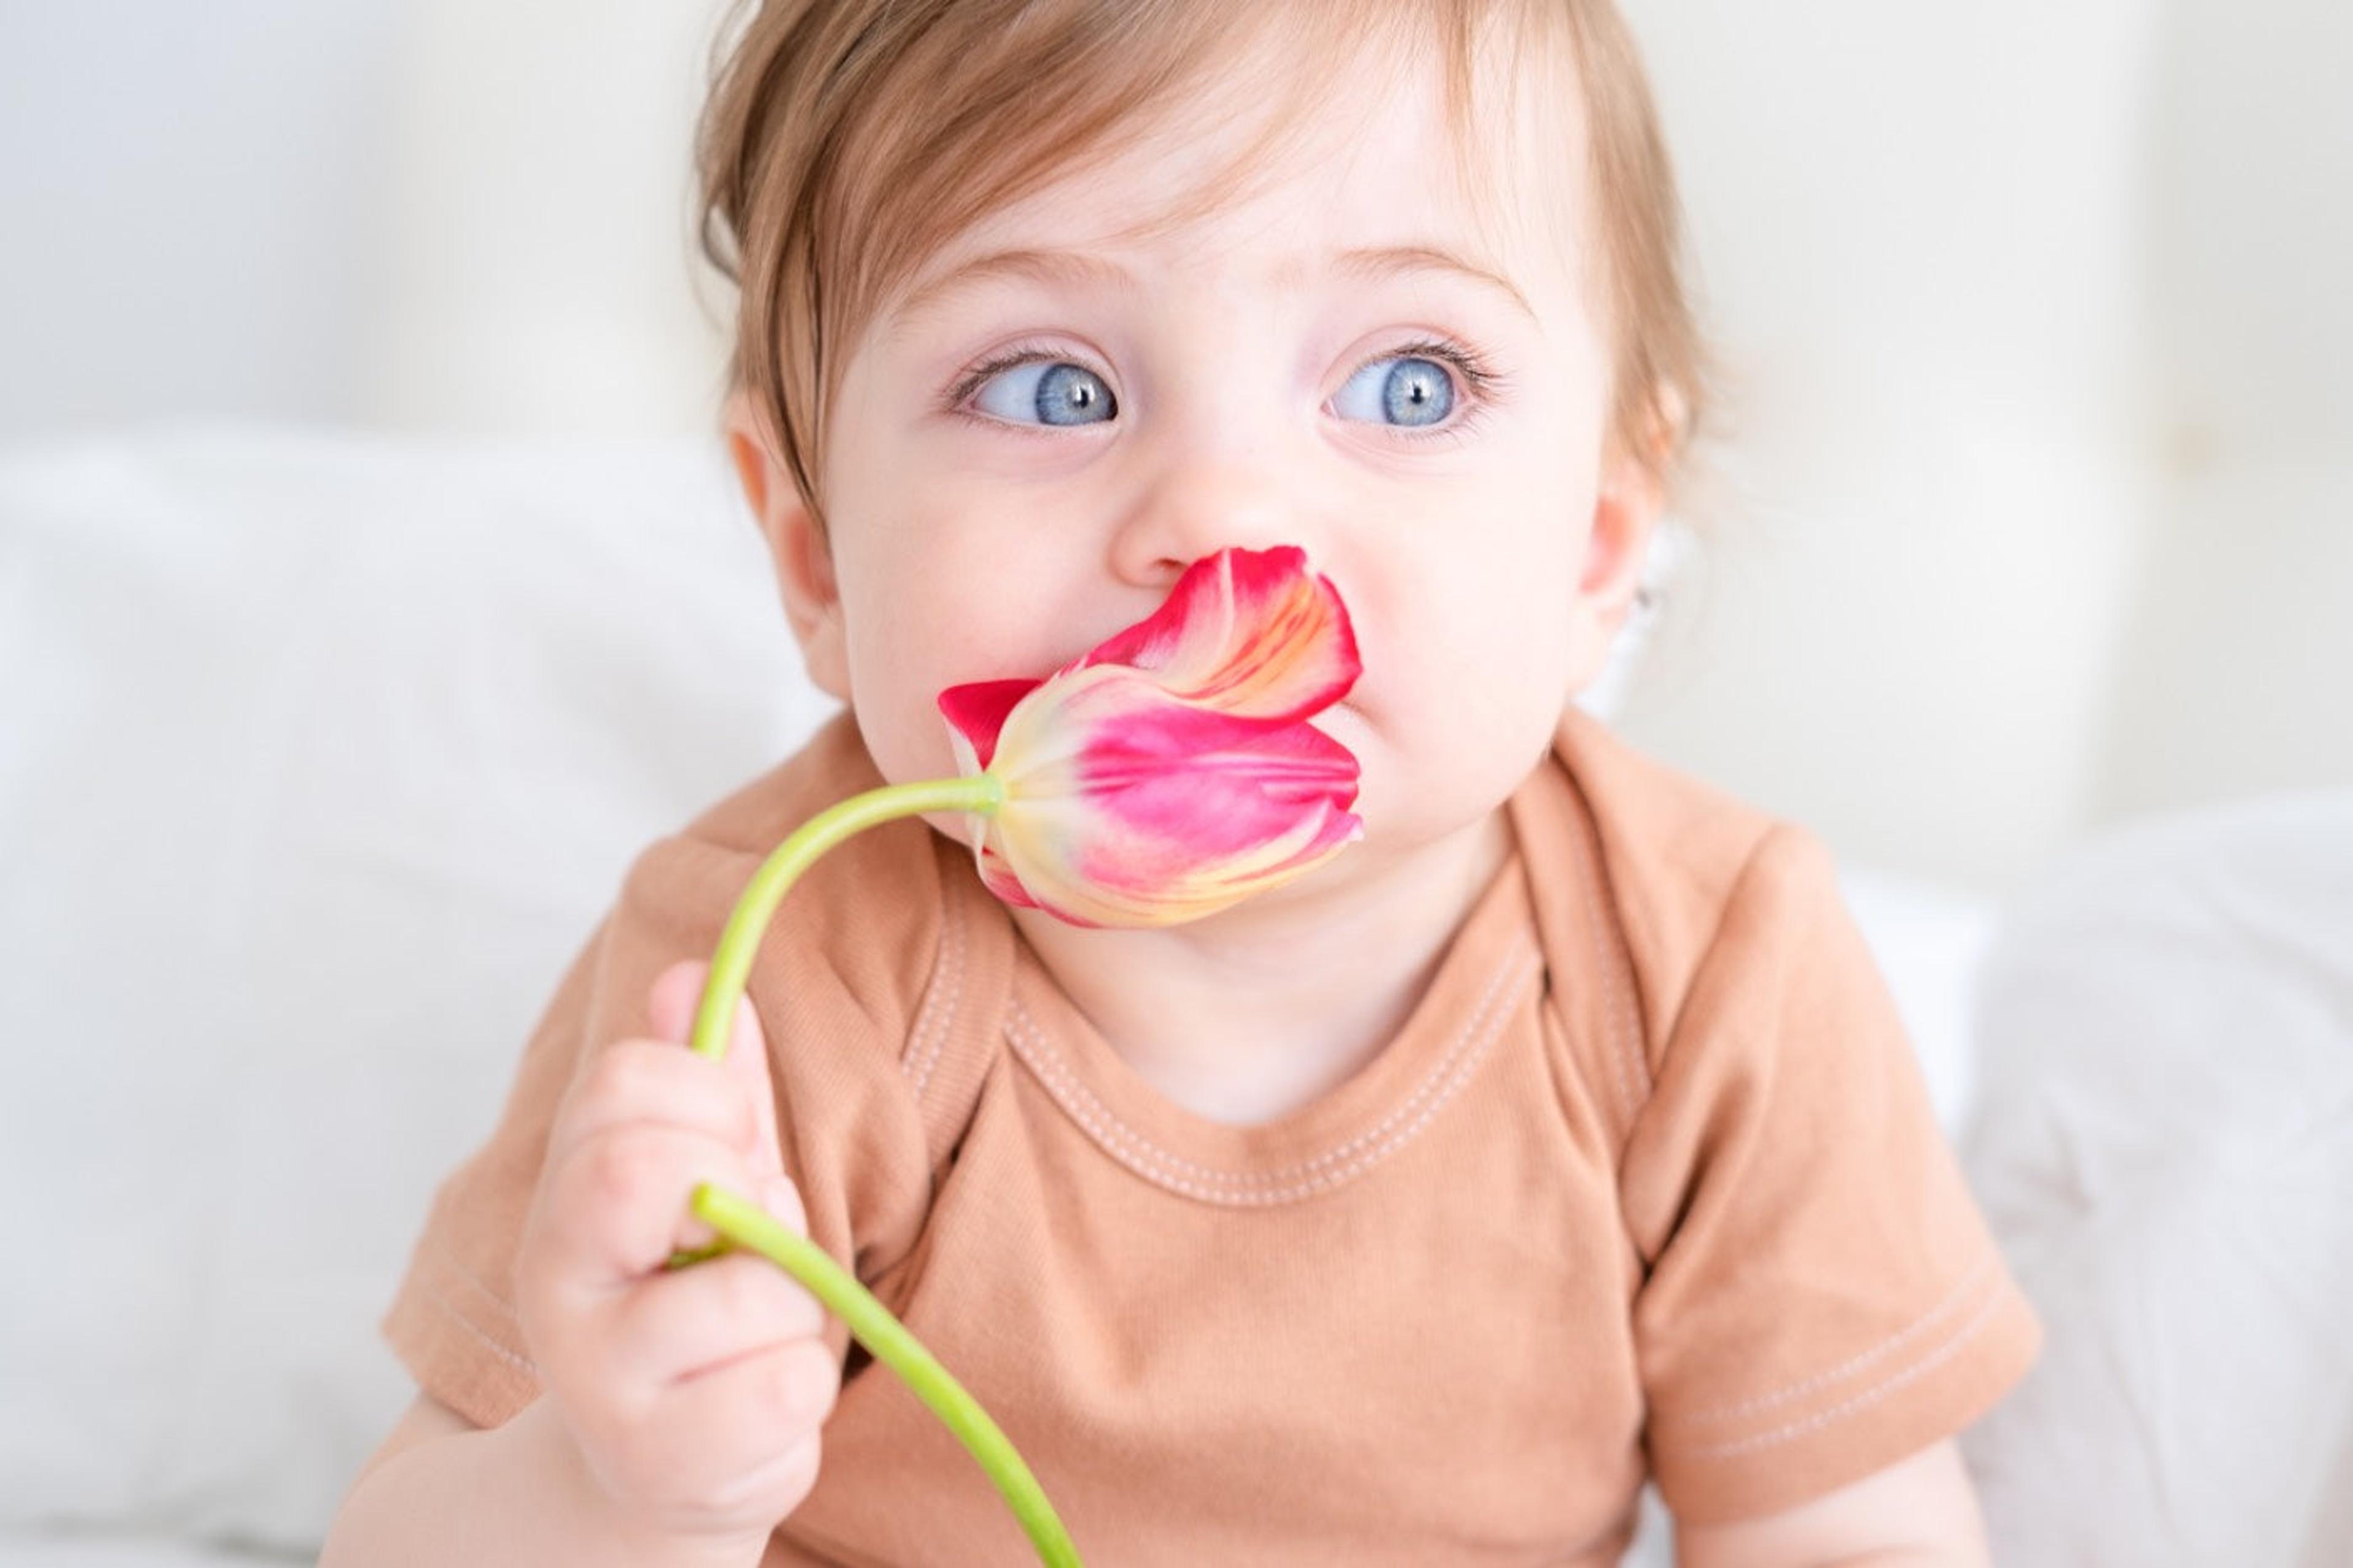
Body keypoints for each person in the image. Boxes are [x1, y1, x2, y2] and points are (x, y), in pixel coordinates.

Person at [320, 2, 2040, 1563]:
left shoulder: (1712, 965)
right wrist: (618, 1491)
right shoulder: (776, 972)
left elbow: (1853, 1534)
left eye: (1407, 383)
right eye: (1054, 387)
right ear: (815, 558)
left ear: (1602, 542)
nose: (1220, 515)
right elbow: (405, 1535)